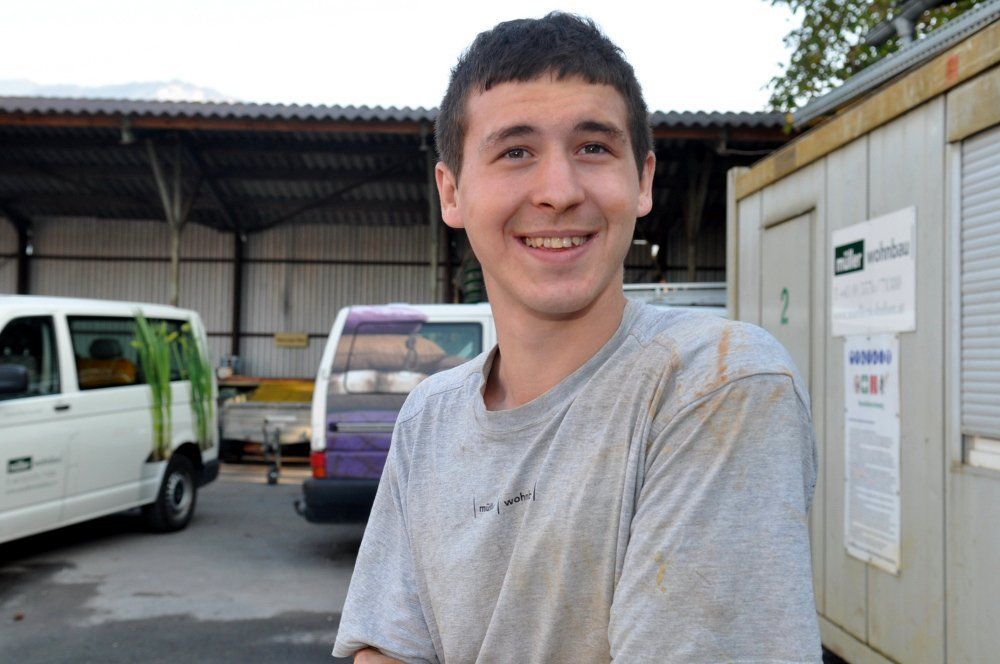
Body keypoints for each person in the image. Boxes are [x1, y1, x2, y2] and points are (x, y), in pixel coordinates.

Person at [334, 12, 821, 663]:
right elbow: (384, 649)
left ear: (642, 180)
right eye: (515, 152)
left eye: (593, 147)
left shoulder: (716, 383)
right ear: (452, 193)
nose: (559, 192)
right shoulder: (430, 418)